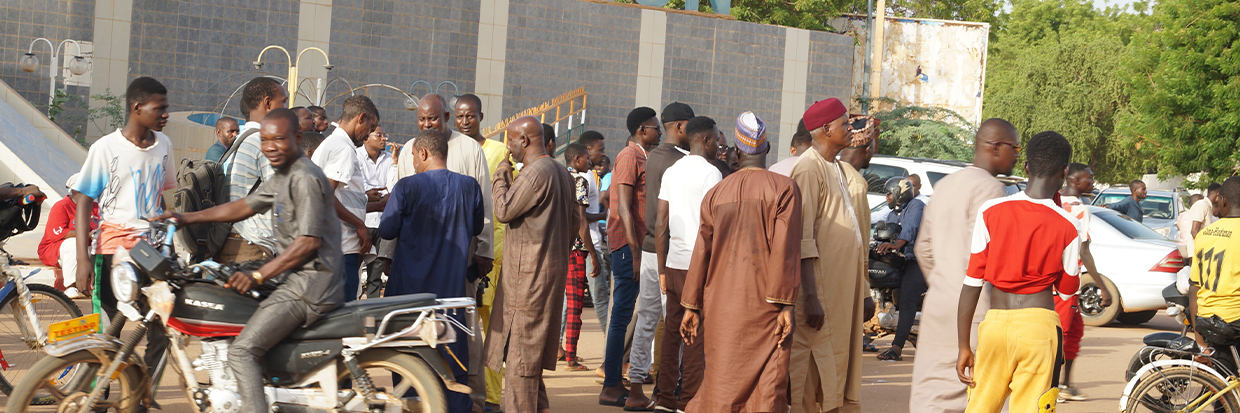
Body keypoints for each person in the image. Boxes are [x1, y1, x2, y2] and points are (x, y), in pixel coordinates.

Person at [155, 108, 344, 413]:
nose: (269, 147)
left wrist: (259, 276)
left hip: (309, 286)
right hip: (295, 279)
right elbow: (243, 206)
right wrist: (185, 218)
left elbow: (308, 242)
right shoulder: (284, 175)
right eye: (265, 140)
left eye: (279, 139)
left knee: (242, 352)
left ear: (297, 138)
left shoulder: (305, 178)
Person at [679, 112, 802, 413]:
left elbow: (701, 252)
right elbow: (786, 250)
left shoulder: (716, 193)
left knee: (722, 379)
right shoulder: (784, 189)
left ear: (735, 152)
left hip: (721, 305)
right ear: (768, 148)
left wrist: (691, 306)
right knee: (766, 388)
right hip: (766, 306)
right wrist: (786, 304)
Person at [956, 131, 1083, 413]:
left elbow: (972, 281)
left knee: (979, 407)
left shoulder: (990, 211)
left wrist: (964, 345)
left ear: (1026, 167)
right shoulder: (1069, 224)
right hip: (1040, 329)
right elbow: (1067, 289)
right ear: (1064, 172)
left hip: (996, 326)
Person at [72, 77, 175, 406]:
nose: (165, 115)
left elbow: (163, 194)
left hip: (154, 254)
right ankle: (96, 401)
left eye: (165, 109)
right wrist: (83, 259)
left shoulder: (164, 146)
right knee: (108, 336)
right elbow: (84, 200)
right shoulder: (105, 148)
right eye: (159, 109)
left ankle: (142, 399)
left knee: (160, 328)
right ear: (136, 108)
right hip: (112, 253)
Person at [908, 118, 1021, 413]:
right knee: (977, 393)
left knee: (931, 391)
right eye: (1015, 147)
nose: (1018, 155)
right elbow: (987, 259)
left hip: (938, 302)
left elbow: (924, 248)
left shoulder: (946, 184)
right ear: (995, 147)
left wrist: (944, 282)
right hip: (974, 308)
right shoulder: (991, 189)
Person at [379, 128, 484, 413]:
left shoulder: (407, 186)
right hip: (450, 288)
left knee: (406, 350)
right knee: (451, 348)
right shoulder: (469, 186)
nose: (412, 161)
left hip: (409, 289)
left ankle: (415, 404)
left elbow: (387, 229)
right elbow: (476, 227)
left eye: (413, 155)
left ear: (423, 153)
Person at [485, 116, 578, 413]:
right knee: (528, 361)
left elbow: (503, 210)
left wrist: (500, 175)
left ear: (524, 140)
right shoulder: (561, 171)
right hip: (545, 275)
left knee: (520, 362)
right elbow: (574, 222)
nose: (508, 149)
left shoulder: (535, 172)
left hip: (528, 280)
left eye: (510, 141)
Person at [789, 98, 866, 413]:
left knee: (833, 367)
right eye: (844, 124)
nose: (851, 130)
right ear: (825, 129)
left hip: (838, 291)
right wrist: (811, 296)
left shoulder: (834, 166)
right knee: (809, 369)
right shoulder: (808, 167)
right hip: (818, 292)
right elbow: (802, 238)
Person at [625, 102, 694, 407]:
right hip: (670, 253)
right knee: (676, 322)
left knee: (647, 320)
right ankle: (671, 389)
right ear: (680, 127)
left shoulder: (653, 157)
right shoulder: (682, 162)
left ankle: (636, 388)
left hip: (651, 247)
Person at [654, 115, 721, 411]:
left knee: (672, 332)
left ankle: (664, 398)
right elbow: (713, 226)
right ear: (705, 140)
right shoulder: (711, 174)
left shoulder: (672, 171)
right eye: (717, 139)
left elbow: (660, 225)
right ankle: (689, 400)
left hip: (674, 263)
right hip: (700, 265)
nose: (719, 145)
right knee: (696, 333)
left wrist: (661, 269)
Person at [599, 107, 661, 408]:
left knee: (629, 314)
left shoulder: (645, 157)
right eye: (655, 127)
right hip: (628, 246)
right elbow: (622, 206)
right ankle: (610, 384)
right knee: (621, 316)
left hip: (638, 246)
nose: (658, 131)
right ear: (641, 129)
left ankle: (615, 380)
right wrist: (635, 253)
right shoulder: (629, 157)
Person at [454, 93, 506, 412]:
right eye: (459, 117)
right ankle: (467, 394)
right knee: (463, 326)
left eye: (470, 116)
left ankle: (493, 397)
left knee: (492, 327)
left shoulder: (498, 151)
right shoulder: (447, 149)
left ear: (481, 117)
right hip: (458, 251)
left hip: (492, 251)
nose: (464, 122)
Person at [1057, 163, 1114, 402]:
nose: (1092, 182)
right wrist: (1102, 286)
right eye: (1088, 179)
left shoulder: (1054, 200)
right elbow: (1084, 251)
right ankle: (1051, 386)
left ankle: (1065, 384)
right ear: (1073, 180)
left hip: (1057, 280)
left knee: (1073, 333)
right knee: (1061, 335)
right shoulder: (1080, 208)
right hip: (1064, 283)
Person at [311, 95, 376, 302]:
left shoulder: (334, 143)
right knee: (341, 318)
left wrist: (375, 204)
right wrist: (360, 226)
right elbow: (326, 196)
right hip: (340, 248)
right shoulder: (343, 148)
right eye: (371, 127)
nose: (369, 134)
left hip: (334, 246)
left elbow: (341, 197)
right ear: (361, 118)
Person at [220, 77, 287, 264]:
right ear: (267, 102)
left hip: (234, 239)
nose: (285, 109)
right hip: (252, 246)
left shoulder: (241, 139)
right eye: (283, 102)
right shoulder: (263, 142)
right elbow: (282, 195)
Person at [1188, 177, 1240, 372]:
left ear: (1222, 200)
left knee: (1224, 382)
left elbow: (1194, 288)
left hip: (1207, 320)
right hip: (1234, 320)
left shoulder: (1204, 235)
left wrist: (1199, 340)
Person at [875, 177, 925, 362]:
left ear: (898, 193)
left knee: (907, 299)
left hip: (919, 260)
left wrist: (896, 245)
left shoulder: (916, 206)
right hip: (902, 260)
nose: (887, 197)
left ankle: (896, 348)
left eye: (889, 193)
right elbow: (887, 232)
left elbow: (910, 229)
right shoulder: (892, 214)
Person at [561, 143, 601, 371]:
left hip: (557, 247)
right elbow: (582, 221)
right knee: (575, 305)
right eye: (586, 159)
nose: (589, 162)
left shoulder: (557, 176)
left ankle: (560, 351)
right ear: (576, 160)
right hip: (576, 250)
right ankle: (571, 358)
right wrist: (593, 255)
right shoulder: (580, 181)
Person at [577, 131, 611, 332]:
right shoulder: (584, 178)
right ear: (588, 151)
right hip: (589, 246)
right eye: (601, 150)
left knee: (571, 299)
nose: (603, 154)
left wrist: (598, 225)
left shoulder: (588, 175)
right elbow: (581, 217)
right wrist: (603, 216)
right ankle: (612, 351)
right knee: (600, 297)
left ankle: (561, 348)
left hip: (588, 241)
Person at [39, 174, 94, 299]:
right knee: (75, 242)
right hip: (56, 249)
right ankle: (70, 287)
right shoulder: (62, 206)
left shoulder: (95, 208)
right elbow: (58, 232)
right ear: (74, 191)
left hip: (86, 250)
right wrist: (88, 235)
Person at [357, 126, 393, 298]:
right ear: (366, 138)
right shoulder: (355, 156)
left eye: (384, 134)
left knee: (375, 275)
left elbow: (391, 188)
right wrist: (372, 195)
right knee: (354, 270)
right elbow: (359, 189)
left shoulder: (389, 160)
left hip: (382, 223)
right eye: (379, 135)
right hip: (360, 222)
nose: (383, 138)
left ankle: (372, 317)